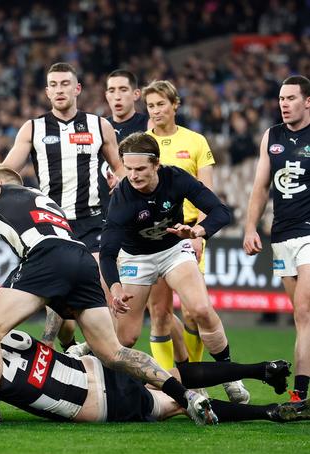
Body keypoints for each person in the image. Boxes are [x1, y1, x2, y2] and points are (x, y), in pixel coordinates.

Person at [0, 166, 215, 426]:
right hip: (79, 257)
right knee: (114, 352)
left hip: (45, 256)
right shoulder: (44, 199)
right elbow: (58, 278)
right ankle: (186, 395)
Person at [0, 319, 307, 425]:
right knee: (171, 372)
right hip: (93, 365)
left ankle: (266, 413)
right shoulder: (3, 333)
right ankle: (257, 367)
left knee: (181, 405)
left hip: (101, 401)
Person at [0, 62, 125, 352]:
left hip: (93, 222)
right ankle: (70, 347)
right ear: (47, 92)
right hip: (52, 225)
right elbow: (6, 174)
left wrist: (118, 181)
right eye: (54, 85)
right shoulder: (33, 128)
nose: (59, 90)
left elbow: (119, 167)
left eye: (65, 84)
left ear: (77, 88)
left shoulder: (99, 126)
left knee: (102, 295)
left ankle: (108, 363)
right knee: (63, 322)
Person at [99, 132, 249, 404]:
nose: (133, 175)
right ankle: (114, 389)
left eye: (140, 169)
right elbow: (108, 254)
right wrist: (115, 288)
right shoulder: (121, 198)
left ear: (156, 164)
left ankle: (228, 375)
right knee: (126, 338)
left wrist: (198, 231)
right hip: (136, 259)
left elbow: (221, 212)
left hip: (173, 250)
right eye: (129, 168)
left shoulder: (176, 178)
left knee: (201, 309)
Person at [142, 80, 248, 404]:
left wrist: (202, 234)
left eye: (161, 104)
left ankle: (205, 375)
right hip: (152, 238)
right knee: (159, 312)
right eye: (150, 106)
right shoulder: (142, 145)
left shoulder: (195, 141)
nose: (156, 111)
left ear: (175, 105)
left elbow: (208, 196)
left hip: (190, 232)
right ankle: (169, 386)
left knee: (193, 313)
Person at [244, 75, 310, 401]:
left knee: (303, 311)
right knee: (303, 320)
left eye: (291, 98)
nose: (284, 104)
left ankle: (299, 394)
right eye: (281, 98)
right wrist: (250, 227)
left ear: (307, 101)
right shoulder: (272, 136)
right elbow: (260, 187)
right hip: (282, 235)